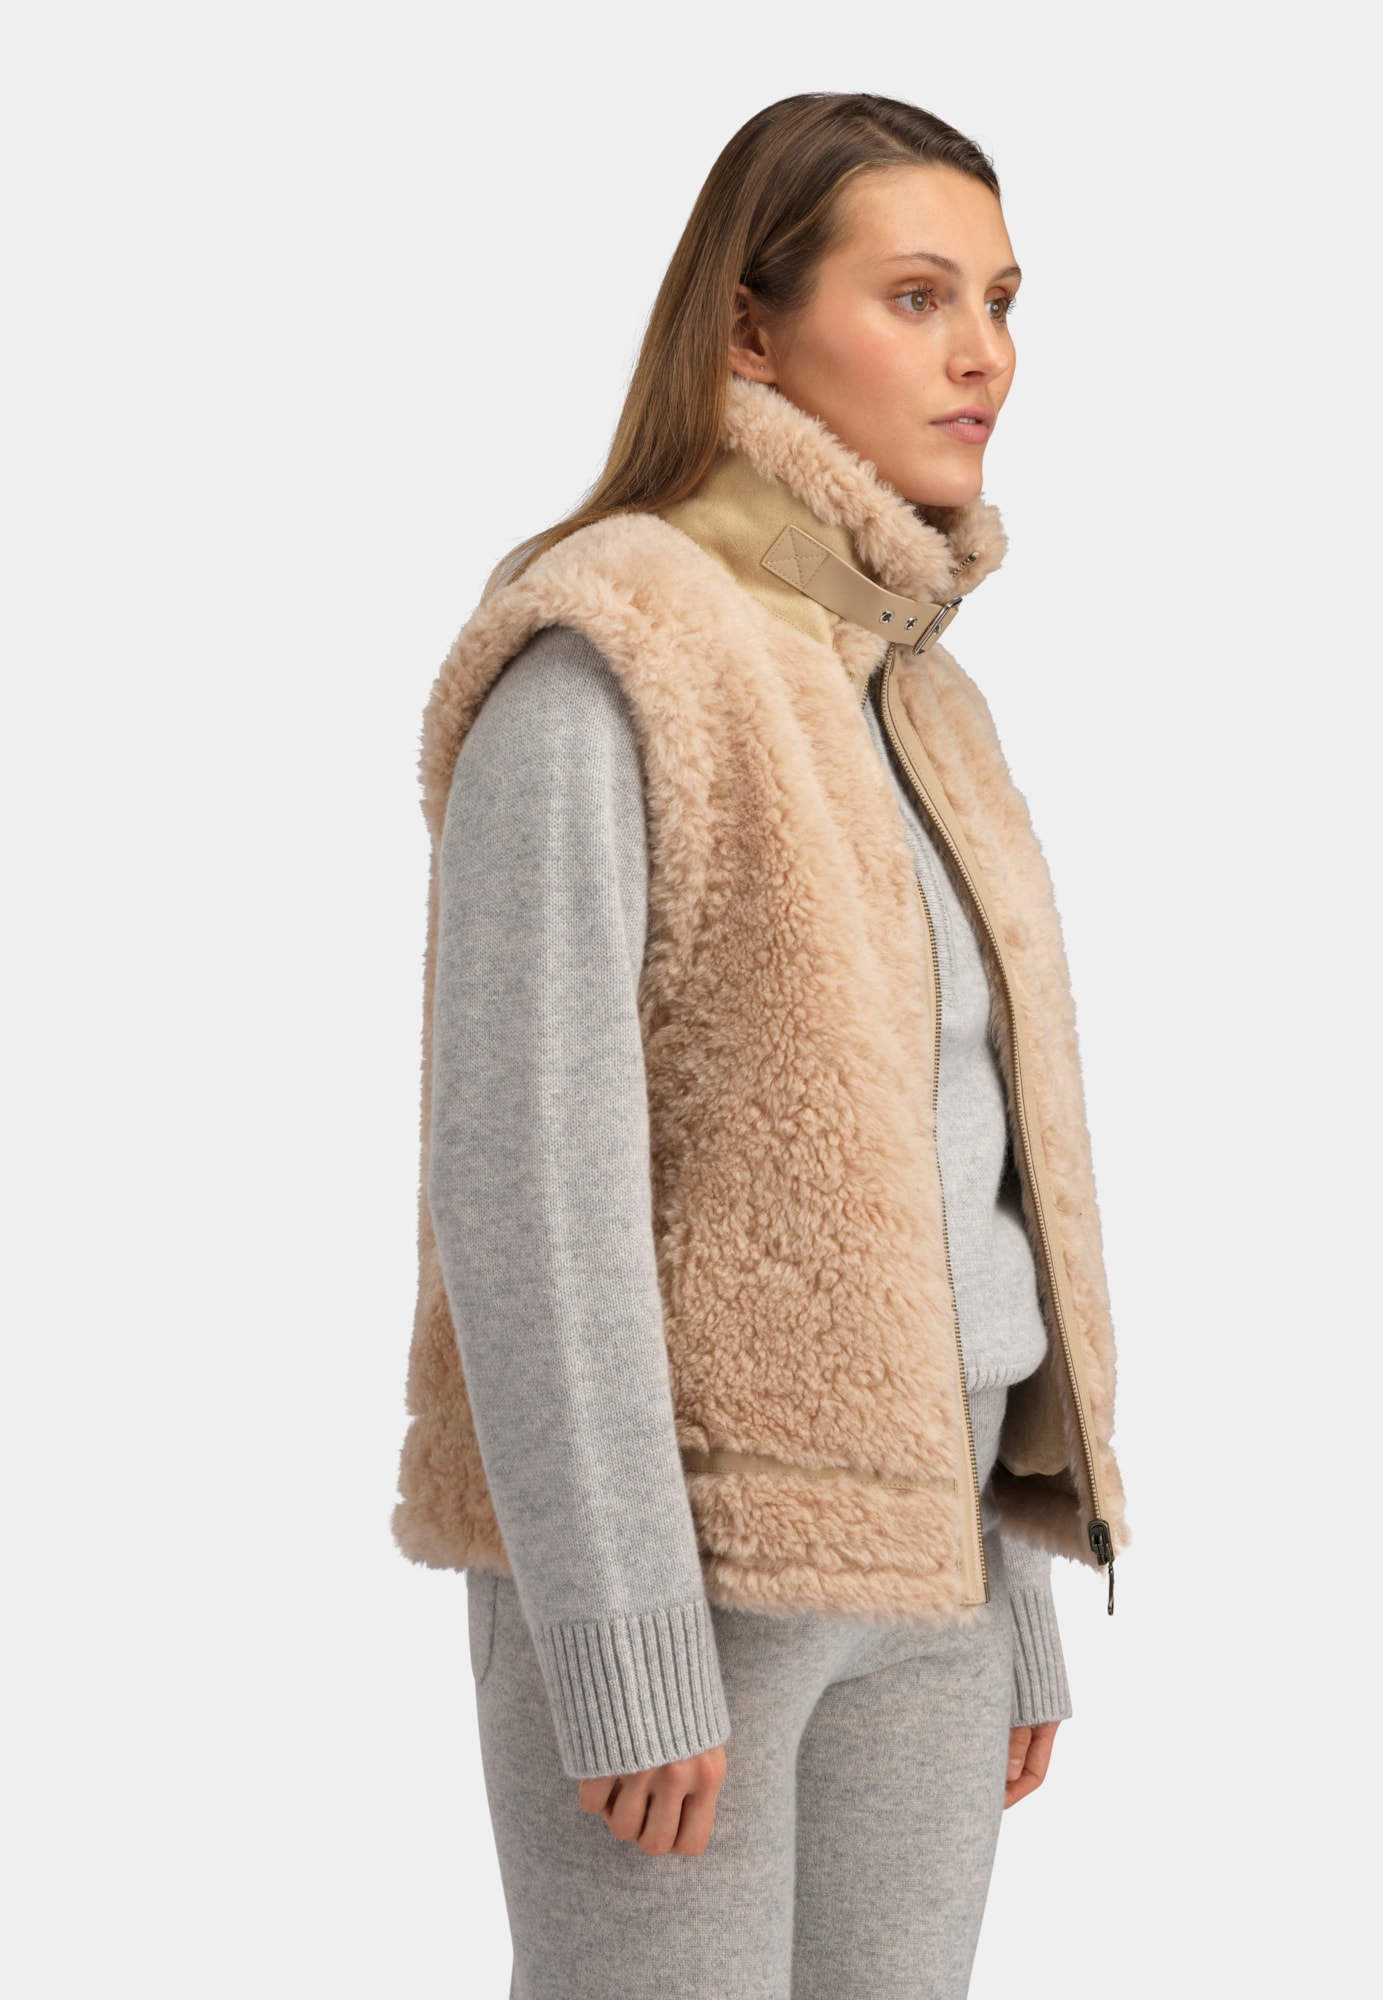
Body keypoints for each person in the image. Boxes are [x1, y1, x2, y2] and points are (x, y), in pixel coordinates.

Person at [393, 91, 1128, 2000]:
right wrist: (618, 1633)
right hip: (685, 1587)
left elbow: (965, 1163)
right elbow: (527, 1187)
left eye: (1001, 300)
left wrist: (1011, 1580)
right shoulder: (601, 667)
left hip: (932, 1579)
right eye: (916, 295)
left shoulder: (920, 701)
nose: (983, 354)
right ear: (749, 326)